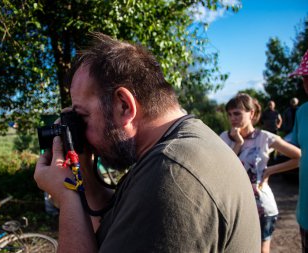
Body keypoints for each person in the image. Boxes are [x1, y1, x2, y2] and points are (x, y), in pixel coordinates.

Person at [34, 33, 261, 252]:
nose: (81, 131)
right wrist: (82, 171)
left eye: (83, 116)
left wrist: (67, 195)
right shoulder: (184, 146)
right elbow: (117, 224)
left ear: (124, 106)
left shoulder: (172, 176)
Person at [220, 93, 301, 253]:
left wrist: (271, 170)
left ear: (251, 113)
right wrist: (238, 144)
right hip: (234, 208)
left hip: (261, 206)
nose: (232, 118)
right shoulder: (225, 137)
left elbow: (298, 156)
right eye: (229, 114)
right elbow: (223, 169)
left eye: (237, 113)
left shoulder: (264, 137)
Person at [289, 49, 308, 253]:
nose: (305, 83)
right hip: (306, 213)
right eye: (304, 78)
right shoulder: (302, 112)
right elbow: (295, 150)